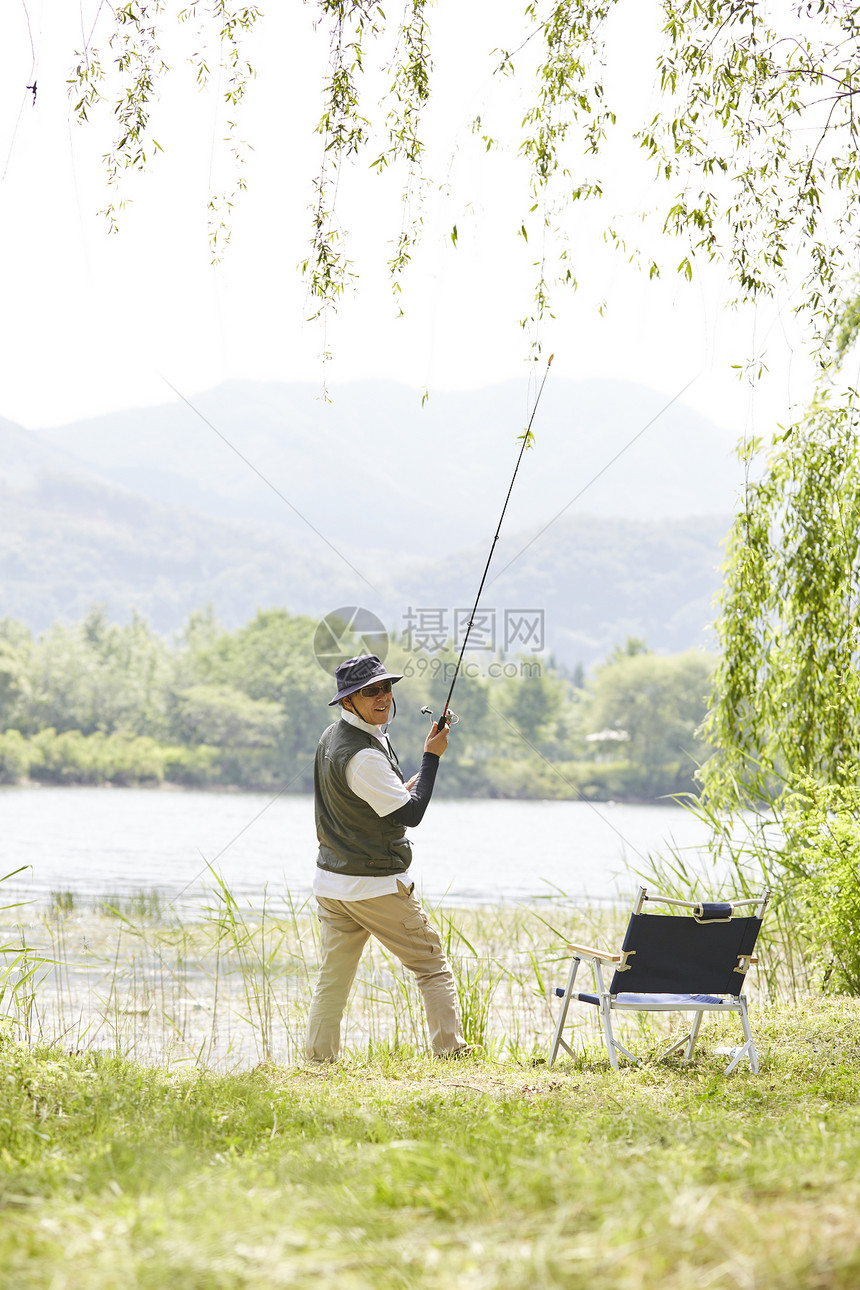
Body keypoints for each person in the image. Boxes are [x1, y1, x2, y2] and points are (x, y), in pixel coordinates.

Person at [306, 653, 468, 1061]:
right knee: (431, 966)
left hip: (332, 884)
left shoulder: (334, 738)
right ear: (348, 701)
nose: (381, 697)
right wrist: (432, 758)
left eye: (385, 688)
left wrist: (409, 781)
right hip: (374, 885)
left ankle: (318, 1062)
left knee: (332, 981)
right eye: (368, 692)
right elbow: (410, 815)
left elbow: (373, 799)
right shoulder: (362, 754)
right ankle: (450, 1055)